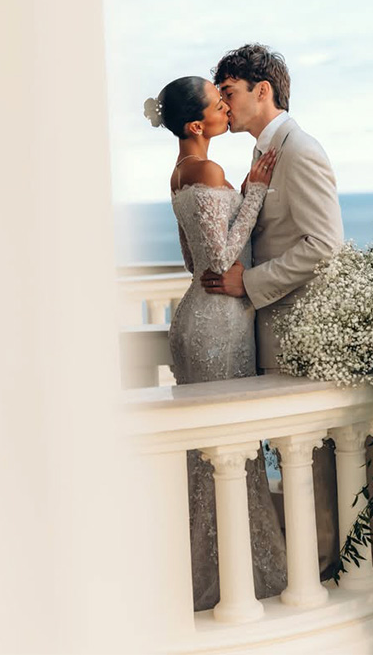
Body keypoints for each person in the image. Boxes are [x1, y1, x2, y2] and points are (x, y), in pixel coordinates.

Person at [200, 43, 345, 578]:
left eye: (229, 92)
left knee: (314, 460)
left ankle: (324, 568)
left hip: (299, 332)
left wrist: (249, 283)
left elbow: (324, 243)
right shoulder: (265, 154)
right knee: (294, 457)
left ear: (263, 91)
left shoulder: (301, 150)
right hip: (273, 331)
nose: (224, 103)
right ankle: (311, 563)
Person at [144, 75, 287, 610]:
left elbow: (190, 260)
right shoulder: (207, 169)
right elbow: (221, 258)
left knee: (208, 456)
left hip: (198, 318)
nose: (227, 105)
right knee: (230, 448)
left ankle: (208, 573)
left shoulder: (178, 174)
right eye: (217, 99)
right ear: (197, 125)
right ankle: (233, 580)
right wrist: (252, 192)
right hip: (218, 324)